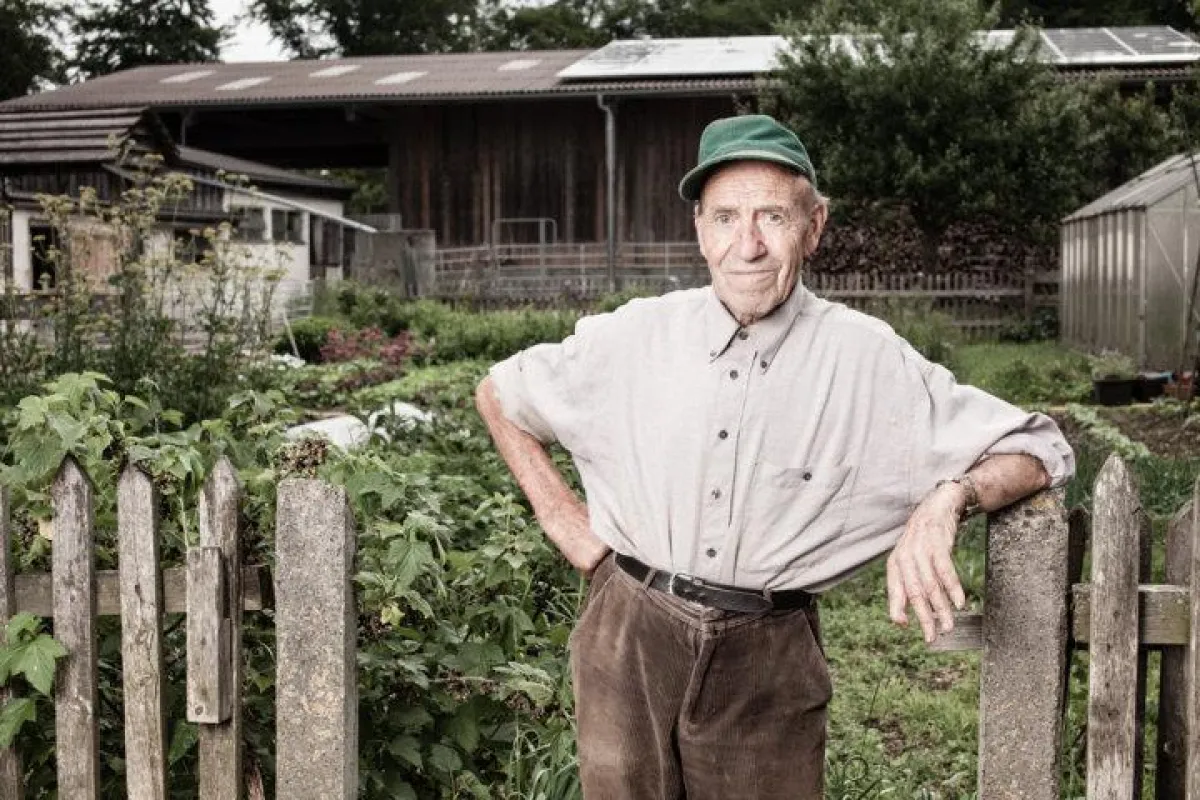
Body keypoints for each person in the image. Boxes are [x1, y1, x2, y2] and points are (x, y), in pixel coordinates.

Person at [475, 114, 1074, 799]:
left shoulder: (866, 358)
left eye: (772, 218)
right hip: (628, 632)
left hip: (766, 648)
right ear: (700, 230)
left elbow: (1039, 446)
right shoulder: (634, 336)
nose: (748, 244)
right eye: (726, 217)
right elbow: (499, 392)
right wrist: (561, 517)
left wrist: (947, 500)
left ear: (814, 227)